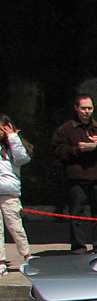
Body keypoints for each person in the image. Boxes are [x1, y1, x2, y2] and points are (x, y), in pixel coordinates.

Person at [52, 94, 97, 253]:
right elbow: (59, 151)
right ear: (76, 108)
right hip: (76, 177)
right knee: (76, 215)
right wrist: (77, 150)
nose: (87, 112)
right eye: (84, 108)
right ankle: (78, 247)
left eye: (90, 108)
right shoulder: (66, 129)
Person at [0, 114, 32, 273]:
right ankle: (0, 261)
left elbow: (22, 159)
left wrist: (12, 137)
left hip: (9, 192)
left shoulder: (13, 145)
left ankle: (27, 256)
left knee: (15, 226)